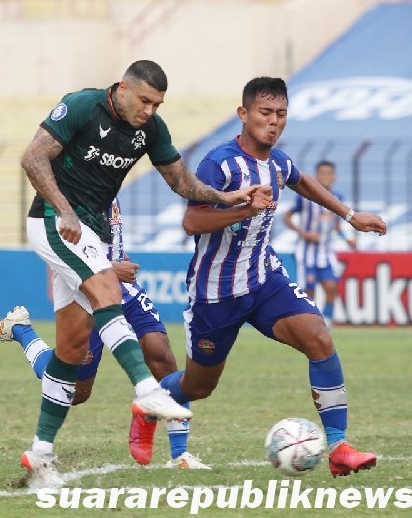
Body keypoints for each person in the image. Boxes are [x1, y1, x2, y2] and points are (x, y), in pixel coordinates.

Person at [16, 60, 270, 488]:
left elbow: (181, 181)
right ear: (123, 89)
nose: (150, 111)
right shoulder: (82, 106)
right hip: (53, 220)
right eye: (145, 101)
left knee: (72, 349)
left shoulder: (151, 130)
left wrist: (227, 197)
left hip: (90, 231)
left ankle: (39, 456)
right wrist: (62, 210)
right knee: (107, 290)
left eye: (158, 104)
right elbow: (33, 157)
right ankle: (147, 391)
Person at [158, 77, 387, 478]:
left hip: (264, 280)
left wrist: (350, 216)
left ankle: (338, 447)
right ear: (243, 114)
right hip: (217, 294)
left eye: (281, 114)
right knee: (198, 387)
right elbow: (192, 221)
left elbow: (301, 181)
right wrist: (244, 209)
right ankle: (153, 400)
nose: (274, 121)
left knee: (319, 337)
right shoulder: (220, 163)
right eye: (265, 113)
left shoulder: (278, 161)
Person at [0, 198, 209, 470]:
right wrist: (112, 269)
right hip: (88, 293)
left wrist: (118, 260)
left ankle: (180, 454)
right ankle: (20, 329)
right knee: (76, 391)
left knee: (161, 354)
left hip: (124, 290)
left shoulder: (105, 183)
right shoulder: (67, 197)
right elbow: (62, 254)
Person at [283, 160, 356, 329]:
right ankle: (310, 324)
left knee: (331, 287)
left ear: (335, 177)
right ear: (316, 176)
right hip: (307, 252)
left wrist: (346, 239)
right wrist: (304, 233)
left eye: (329, 173)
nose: (326, 177)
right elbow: (286, 217)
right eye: (322, 173)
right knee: (309, 291)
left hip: (326, 252)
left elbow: (337, 225)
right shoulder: (305, 198)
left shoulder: (338, 198)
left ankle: (327, 323)